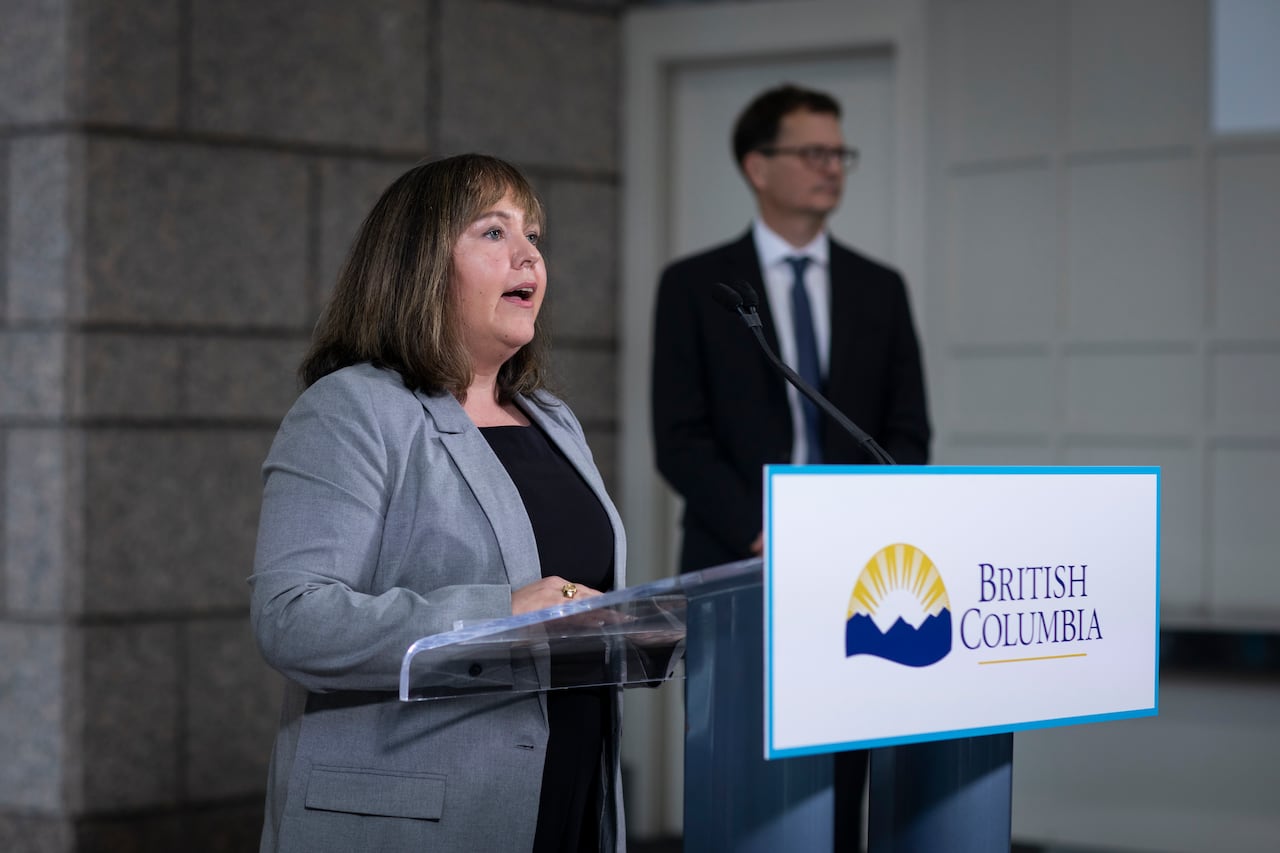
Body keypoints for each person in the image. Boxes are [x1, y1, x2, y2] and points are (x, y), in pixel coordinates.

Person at [250, 153, 626, 853]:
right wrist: (496, 615)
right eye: (493, 233)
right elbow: (291, 618)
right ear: (420, 264)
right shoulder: (351, 409)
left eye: (534, 238)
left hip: (567, 794)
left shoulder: (552, 419)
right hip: (417, 819)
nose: (529, 257)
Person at [650, 84, 931, 850]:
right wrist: (764, 530)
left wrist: (841, 532)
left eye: (839, 153)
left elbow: (907, 434)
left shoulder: (881, 287)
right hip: (738, 568)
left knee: (842, 785)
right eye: (813, 152)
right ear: (756, 165)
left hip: (855, 576)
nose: (832, 167)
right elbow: (678, 438)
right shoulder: (695, 286)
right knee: (741, 781)